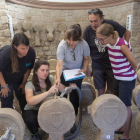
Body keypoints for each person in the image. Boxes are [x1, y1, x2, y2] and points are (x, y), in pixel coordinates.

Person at [96, 23, 137, 140]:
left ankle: (126, 135)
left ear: (109, 36)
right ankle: (120, 127)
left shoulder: (122, 46)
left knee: (126, 106)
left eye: (101, 39)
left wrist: (127, 74)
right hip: (117, 78)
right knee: (118, 104)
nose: (100, 42)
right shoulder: (109, 44)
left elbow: (135, 65)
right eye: (98, 39)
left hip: (126, 79)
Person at [23, 60, 76, 140]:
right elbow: (30, 101)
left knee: (63, 117)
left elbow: (65, 90)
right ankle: (35, 134)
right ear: (36, 71)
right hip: (34, 109)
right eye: (42, 70)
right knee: (30, 120)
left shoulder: (51, 79)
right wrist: (47, 93)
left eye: (47, 70)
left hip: (49, 108)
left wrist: (71, 88)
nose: (45, 73)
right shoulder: (29, 84)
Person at [83, 8, 131, 96]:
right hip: (97, 65)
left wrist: (126, 48)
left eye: (96, 21)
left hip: (112, 65)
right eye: (91, 21)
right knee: (100, 92)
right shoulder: (87, 31)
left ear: (102, 18)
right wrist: (87, 68)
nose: (93, 24)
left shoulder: (111, 25)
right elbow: (84, 50)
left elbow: (127, 32)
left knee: (113, 92)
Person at [56, 24, 90, 115]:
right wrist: (58, 77)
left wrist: (85, 68)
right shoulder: (62, 45)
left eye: (74, 40)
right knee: (63, 93)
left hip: (77, 72)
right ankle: (62, 115)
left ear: (79, 38)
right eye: (69, 39)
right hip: (65, 71)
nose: (71, 42)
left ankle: (73, 117)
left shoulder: (84, 44)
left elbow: (86, 58)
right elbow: (59, 64)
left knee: (75, 95)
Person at [0, 33, 36, 112]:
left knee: (24, 99)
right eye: (22, 49)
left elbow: (29, 68)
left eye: (27, 47)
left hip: (20, 79)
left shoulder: (31, 52)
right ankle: (8, 121)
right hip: (5, 80)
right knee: (6, 101)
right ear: (15, 47)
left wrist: (23, 83)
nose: (26, 51)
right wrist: (4, 86)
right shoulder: (6, 53)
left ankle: (25, 119)